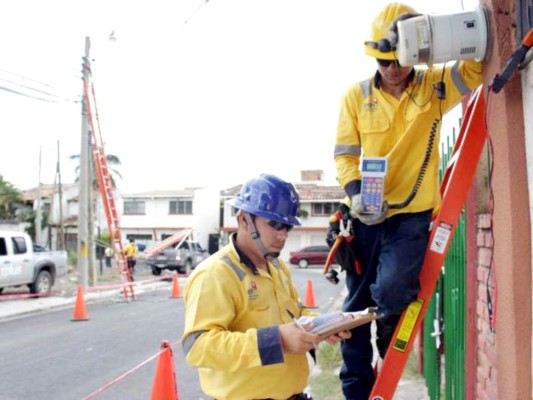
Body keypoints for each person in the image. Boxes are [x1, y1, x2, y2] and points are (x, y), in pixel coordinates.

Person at [333, 3, 483, 398]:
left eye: (398, 59)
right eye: (383, 61)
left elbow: (475, 69)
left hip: (411, 219)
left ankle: (388, 360)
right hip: (366, 216)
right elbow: (346, 156)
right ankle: (357, 390)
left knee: (393, 291)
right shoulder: (356, 97)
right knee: (355, 307)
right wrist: (353, 194)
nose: (391, 69)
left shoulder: (434, 85)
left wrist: (434, 42)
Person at [181, 173, 351, 400]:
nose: (282, 235)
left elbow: (294, 315)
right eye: (274, 224)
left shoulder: (277, 266)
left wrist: (324, 325)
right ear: (244, 220)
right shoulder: (215, 274)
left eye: (287, 227)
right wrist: (277, 340)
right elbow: (198, 348)